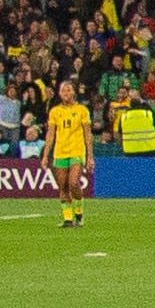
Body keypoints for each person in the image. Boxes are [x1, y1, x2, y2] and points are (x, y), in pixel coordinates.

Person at [42, 78, 92, 227]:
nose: (66, 93)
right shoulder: (55, 111)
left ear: (74, 92)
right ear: (59, 93)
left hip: (76, 150)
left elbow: (88, 135)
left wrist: (90, 157)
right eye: (63, 90)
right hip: (60, 152)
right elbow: (50, 135)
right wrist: (45, 156)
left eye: (69, 90)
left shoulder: (82, 110)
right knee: (63, 185)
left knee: (73, 183)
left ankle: (79, 213)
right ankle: (68, 219)